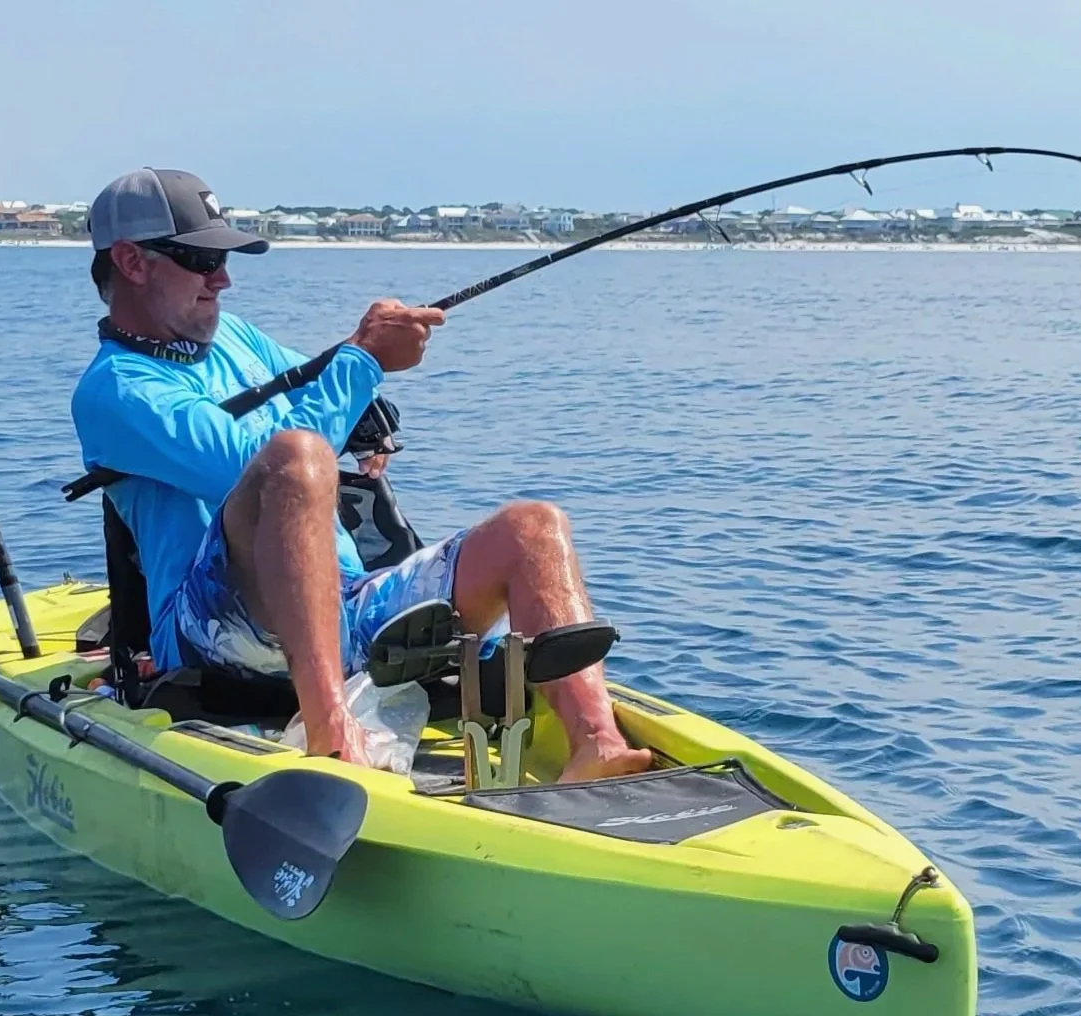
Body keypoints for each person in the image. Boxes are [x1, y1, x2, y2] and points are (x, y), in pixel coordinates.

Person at [70, 168, 650, 781]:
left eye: (224, 258)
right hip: (206, 633)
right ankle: (332, 737)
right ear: (132, 262)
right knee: (296, 458)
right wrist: (363, 361)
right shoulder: (113, 391)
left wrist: (366, 390)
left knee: (533, 527)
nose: (223, 278)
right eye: (201, 258)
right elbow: (263, 469)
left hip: (344, 599)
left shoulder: (233, 336)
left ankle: (598, 746)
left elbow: (327, 393)